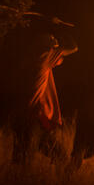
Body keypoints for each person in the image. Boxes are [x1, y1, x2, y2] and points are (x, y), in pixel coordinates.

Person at [10, 17, 78, 165]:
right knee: (28, 159)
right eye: (52, 39)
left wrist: (50, 28)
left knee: (23, 157)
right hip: (34, 117)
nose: (55, 40)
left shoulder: (29, 59)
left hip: (22, 116)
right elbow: (73, 48)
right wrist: (61, 27)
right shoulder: (45, 57)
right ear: (46, 46)